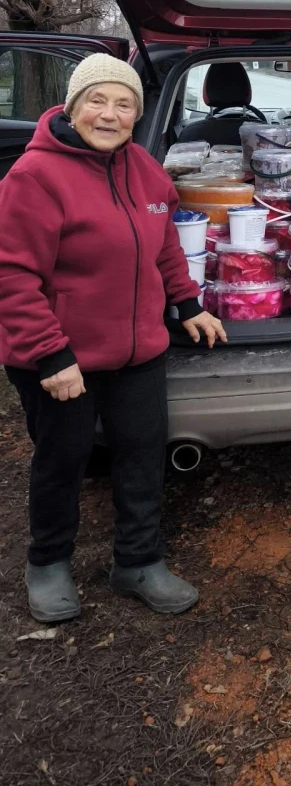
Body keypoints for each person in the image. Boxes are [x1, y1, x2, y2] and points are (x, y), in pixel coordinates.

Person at [0, 54, 227, 623]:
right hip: (60, 356)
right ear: (73, 108)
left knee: (142, 454)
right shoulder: (33, 177)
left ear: (137, 114)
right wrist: (51, 353)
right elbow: (11, 274)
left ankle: (139, 562)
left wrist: (188, 303)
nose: (110, 114)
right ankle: (48, 564)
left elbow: (165, 245)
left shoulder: (145, 169)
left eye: (123, 104)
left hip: (139, 349)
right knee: (65, 458)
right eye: (97, 101)